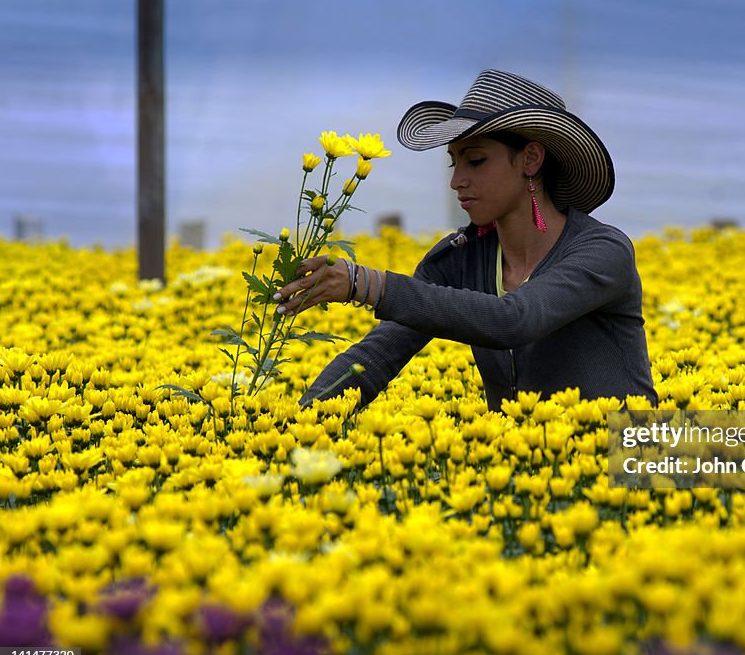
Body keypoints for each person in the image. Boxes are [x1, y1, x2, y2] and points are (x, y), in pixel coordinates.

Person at [275, 69, 658, 412]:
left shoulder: (603, 251)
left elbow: (514, 320)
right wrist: (300, 418)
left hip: (629, 469)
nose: (457, 180)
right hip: (520, 480)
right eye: (452, 162)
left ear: (531, 160)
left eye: (475, 162)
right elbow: (378, 355)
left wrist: (366, 284)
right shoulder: (459, 258)